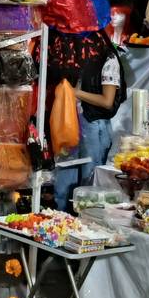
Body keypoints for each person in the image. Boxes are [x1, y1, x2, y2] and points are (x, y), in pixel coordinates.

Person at [54, 31, 126, 212]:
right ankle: (60, 218)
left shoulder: (109, 60)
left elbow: (107, 101)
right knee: (64, 179)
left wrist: (75, 93)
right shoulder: (76, 58)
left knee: (89, 185)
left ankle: (86, 221)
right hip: (71, 122)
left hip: (94, 125)